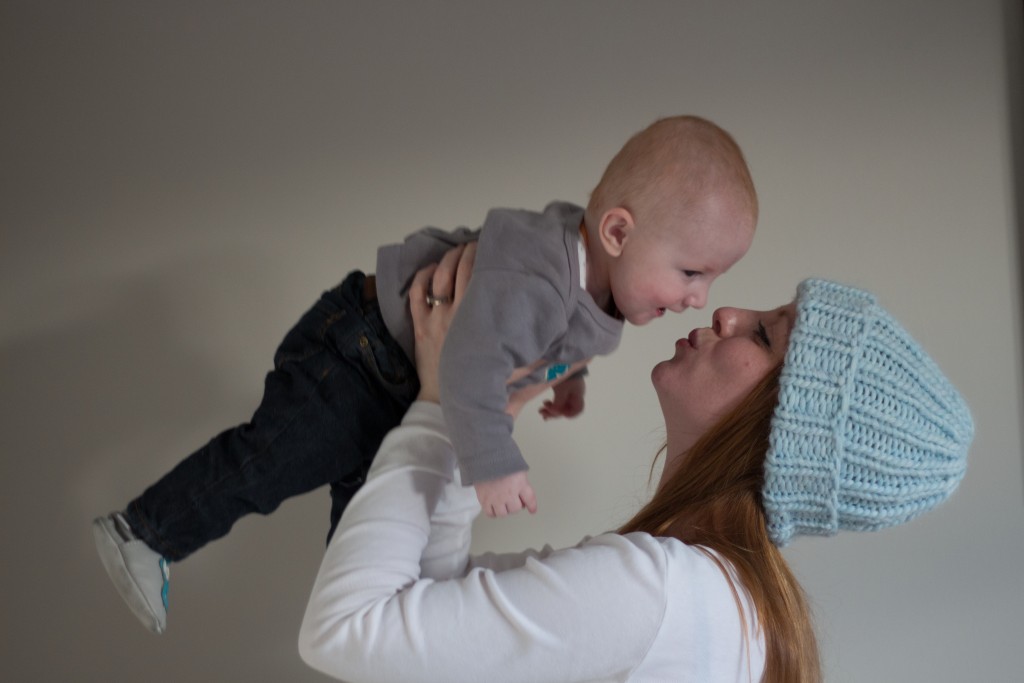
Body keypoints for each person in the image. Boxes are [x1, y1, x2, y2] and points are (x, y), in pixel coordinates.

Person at [92, 115, 759, 634]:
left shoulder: (602, 289)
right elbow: (468, 359)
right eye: (691, 271)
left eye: (712, 279)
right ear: (616, 232)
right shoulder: (538, 278)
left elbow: (549, 342)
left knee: (371, 547)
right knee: (269, 462)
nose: (699, 298)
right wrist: (492, 462)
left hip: (400, 384)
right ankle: (143, 532)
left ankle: (361, 634)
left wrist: (568, 380)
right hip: (362, 356)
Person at [298, 247, 973, 683]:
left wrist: (443, 398)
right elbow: (436, 616)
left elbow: (344, 630)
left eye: (767, 334)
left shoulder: (659, 591)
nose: (731, 311)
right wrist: (483, 417)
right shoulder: (731, 608)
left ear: (787, 427)